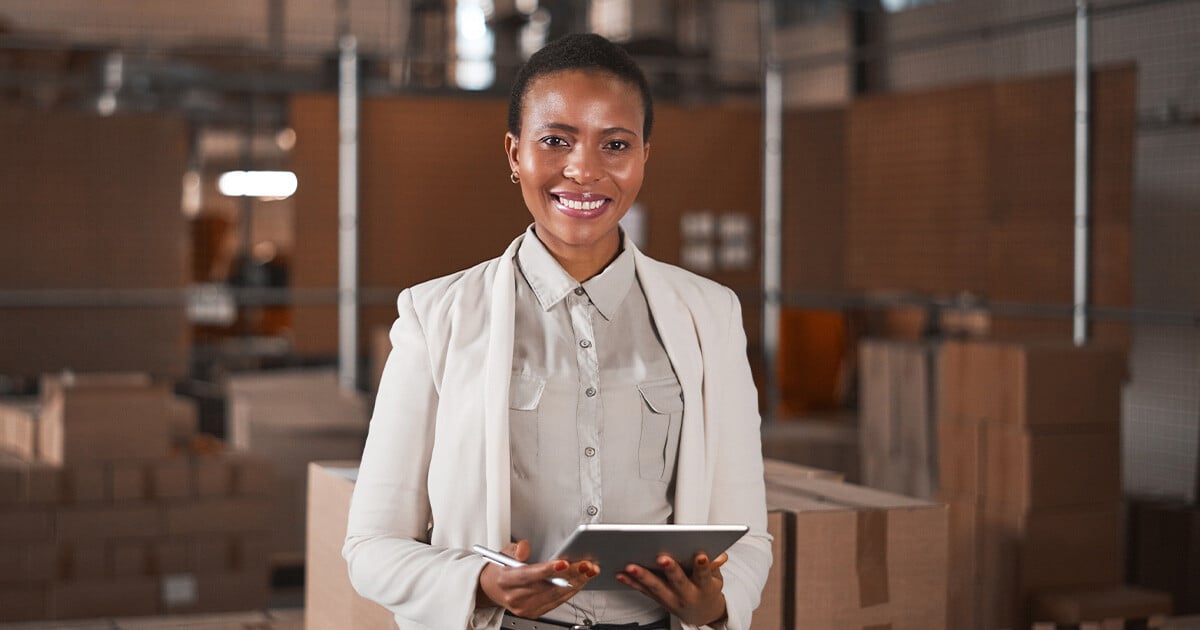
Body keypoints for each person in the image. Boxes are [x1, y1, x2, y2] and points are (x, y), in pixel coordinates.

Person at [344, 33, 771, 630]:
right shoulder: (435, 316)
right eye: (555, 141)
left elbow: (748, 536)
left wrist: (720, 605)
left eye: (615, 145)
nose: (584, 170)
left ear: (645, 154)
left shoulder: (709, 316)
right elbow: (371, 547)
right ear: (514, 153)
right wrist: (481, 585)